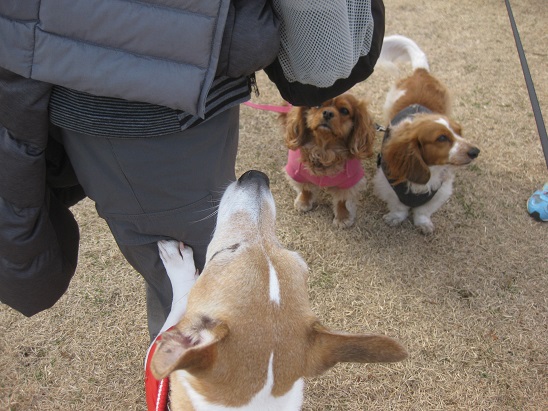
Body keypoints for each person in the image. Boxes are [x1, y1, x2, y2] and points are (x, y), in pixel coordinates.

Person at [0, 0, 280, 341]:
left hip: (199, 72)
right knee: (211, 294)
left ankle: (210, 384)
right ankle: (196, 389)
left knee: (207, 282)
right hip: (142, 99)